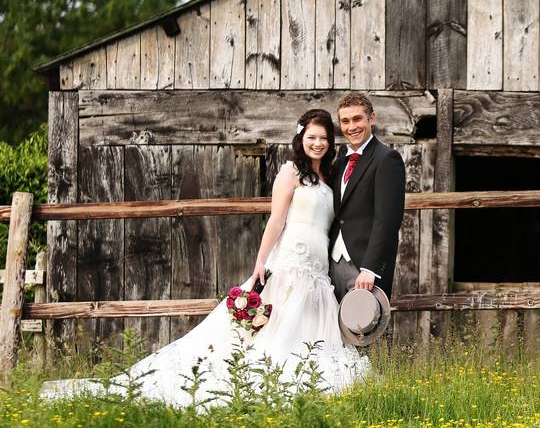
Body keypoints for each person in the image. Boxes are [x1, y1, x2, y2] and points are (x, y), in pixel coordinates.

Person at [41, 109, 368, 408]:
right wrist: (260, 262)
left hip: (317, 269)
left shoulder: (328, 177)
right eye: (311, 137)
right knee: (273, 331)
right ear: (300, 138)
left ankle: (307, 381)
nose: (318, 143)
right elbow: (276, 221)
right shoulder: (291, 172)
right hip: (289, 263)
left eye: (324, 138)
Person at [329, 92, 406, 301]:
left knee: (363, 329)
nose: (351, 127)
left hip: (363, 268)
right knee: (334, 331)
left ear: (371, 118)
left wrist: (370, 268)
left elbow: (387, 220)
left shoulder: (386, 159)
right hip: (333, 264)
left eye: (357, 119)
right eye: (345, 121)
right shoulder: (339, 162)